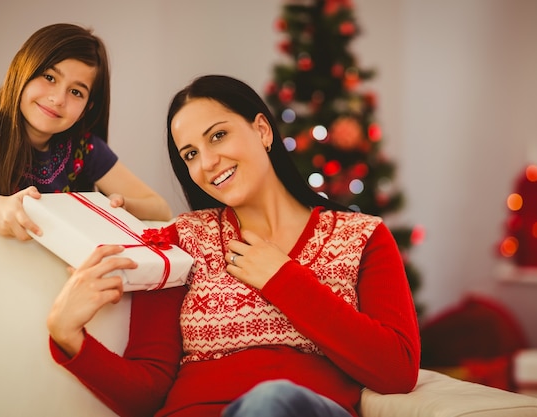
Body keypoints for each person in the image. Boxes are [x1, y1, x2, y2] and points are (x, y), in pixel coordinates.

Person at [46, 75, 421, 417]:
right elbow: (149, 394)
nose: (207, 162)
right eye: (190, 154)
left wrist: (284, 280)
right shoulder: (181, 241)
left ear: (262, 130)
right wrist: (69, 337)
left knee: (269, 402)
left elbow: (397, 370)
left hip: (292, 411)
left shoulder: (362, 237)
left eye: (218, 135)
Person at [0, 23, 172, 240]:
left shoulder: (84, 147)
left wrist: (118, 206)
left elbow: (160, 208)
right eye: (50, 77)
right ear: (22, 71)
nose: (58, 99)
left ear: (86, 109)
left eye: (76, 92)